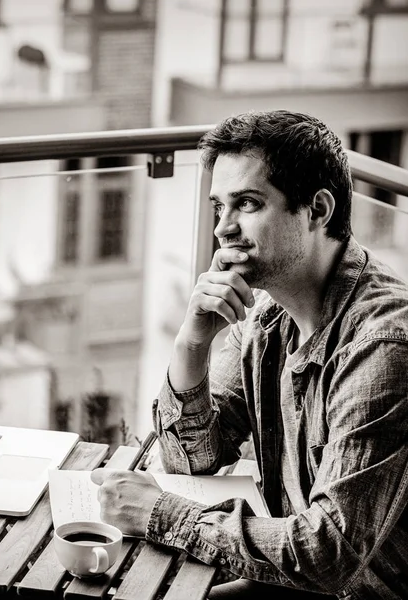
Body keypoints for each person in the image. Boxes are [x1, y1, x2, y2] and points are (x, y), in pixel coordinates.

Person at [91, 110, 408, 598]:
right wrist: (191, 343)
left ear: (318, 211)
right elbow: (191, 459)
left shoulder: (382, 347)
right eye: (220, 206)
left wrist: (158, 512)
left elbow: (326, 554)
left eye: (247, 204)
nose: (222, 229)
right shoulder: (266, 314)